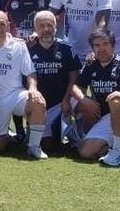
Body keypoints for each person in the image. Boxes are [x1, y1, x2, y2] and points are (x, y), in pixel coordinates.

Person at [0, 11, 49, 158]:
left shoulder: (18, 46)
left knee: (38, 102)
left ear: (8, 26)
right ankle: (4, 134)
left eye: (2, 24)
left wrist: (33, 89)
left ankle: (34, 146)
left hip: (14, 95)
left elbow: (30, 73)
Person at [71, 28, 120, 167]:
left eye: (105, 44)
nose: (101, 49)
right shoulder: (91, 66)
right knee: (85, 153)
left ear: (113, 46)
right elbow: (75, 87)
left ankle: (118, 154)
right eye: (97, 45)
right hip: (108, 116)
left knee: (115, 99)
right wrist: (85, 100)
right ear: (92, 48)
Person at [25, 11, 80, 149]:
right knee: (48, 144)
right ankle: (29, 129)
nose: (46, 29)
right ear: (35, 28)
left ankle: (82, 135)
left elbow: (74, 77)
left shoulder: (66, 48)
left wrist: (67, 100)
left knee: (84, 103)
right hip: (39, 104)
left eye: (50, 25)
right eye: (41, 25)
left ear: (56, 26)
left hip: (61, 102)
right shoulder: (27, 48)